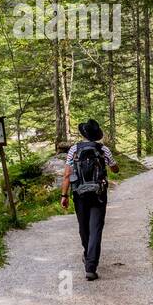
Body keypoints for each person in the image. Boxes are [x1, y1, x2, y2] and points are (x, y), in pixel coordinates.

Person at [60, 119, 120, 281]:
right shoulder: (103, 149)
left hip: (79, 193)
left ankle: (88, 254)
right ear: (96, 135)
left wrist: (64, 195)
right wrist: (112, 166)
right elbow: (115, 168)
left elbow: (67, 174)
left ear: (83, 134)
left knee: (83, 227)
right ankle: (91, 267)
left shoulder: (74, 149)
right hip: (98, 194)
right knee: (96, 228)